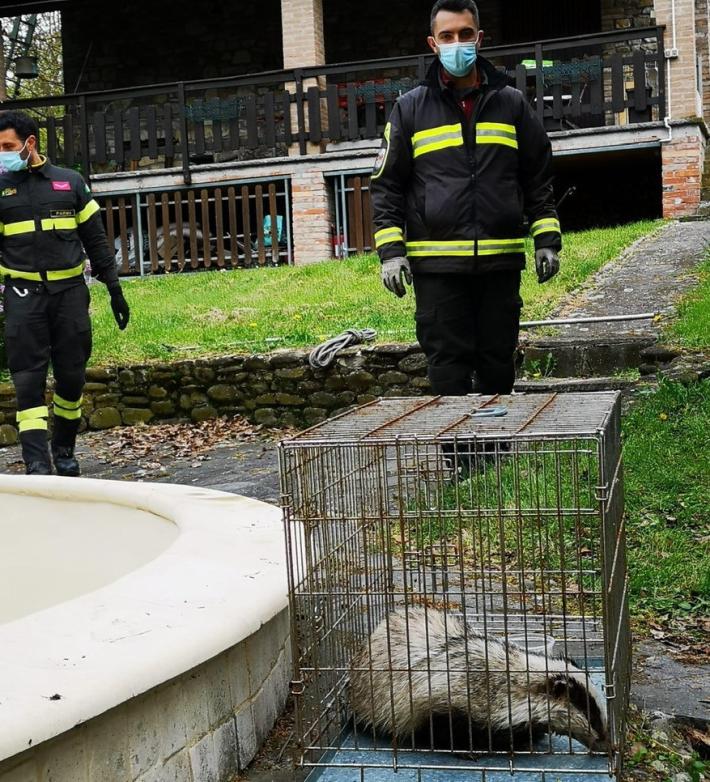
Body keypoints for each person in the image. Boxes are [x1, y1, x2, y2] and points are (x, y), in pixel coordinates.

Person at [371, 0, 561, 404]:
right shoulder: (409, 110)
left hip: (499, 261)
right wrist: (391, 252)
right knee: (447, 364)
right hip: (436, 268)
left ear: (479, 38)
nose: (457, 43)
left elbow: (536, 177)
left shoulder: (512, 105)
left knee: (497, 361)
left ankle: (493, 462)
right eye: (447, 36)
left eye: (464, 34)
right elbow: (386, 185)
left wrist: (547, 239)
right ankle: (461, 462)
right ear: (433, 43)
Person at [0, 110, 130, 476]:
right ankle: (37, 464)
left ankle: (65, 450)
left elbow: (97, 240)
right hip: (23, 296)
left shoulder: (70, 183)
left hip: (70, 295)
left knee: (72, 376)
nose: (2, 154)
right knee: (28, 382)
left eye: (8, 147)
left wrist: (115, 289)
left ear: (30, 143)